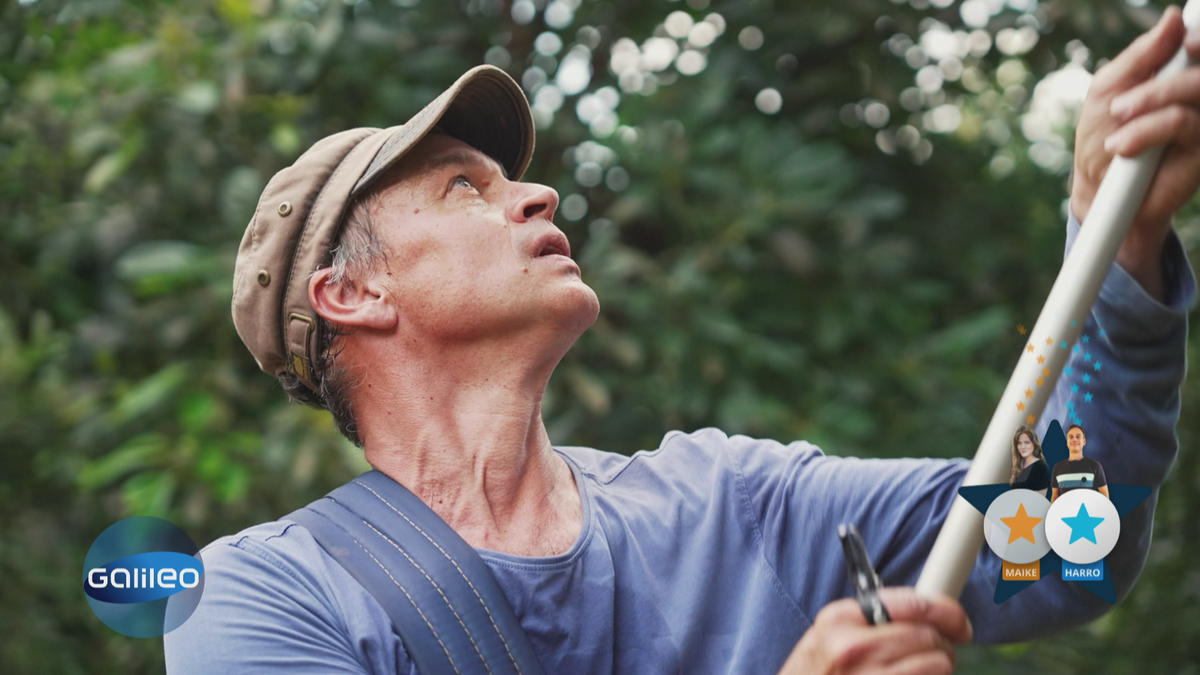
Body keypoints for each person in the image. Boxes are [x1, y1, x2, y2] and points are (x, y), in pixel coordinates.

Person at [165, 8, 1200, 675]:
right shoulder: (269, 601)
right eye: (463, 190)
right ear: (352, 293)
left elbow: (1076, 540)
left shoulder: (737, 506)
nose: (536, 194)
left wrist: (1116, 245)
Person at [1051, 424, 1110, 502]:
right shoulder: (1057, 468)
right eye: (1071, 437)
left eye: (1078, 436)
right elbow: (1055, 497)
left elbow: (1105, 498)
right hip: (1065, 514)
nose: (1074, 439)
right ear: (1067, 442)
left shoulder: (1095, 466)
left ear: (1084, 441)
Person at [1009, 426, 1050, 497]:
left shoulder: (1040, 468)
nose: (1023, 447)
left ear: (1034, 444)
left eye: (1027, 442)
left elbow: (1040, 500)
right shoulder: (1019, 467)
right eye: (1019, 443)